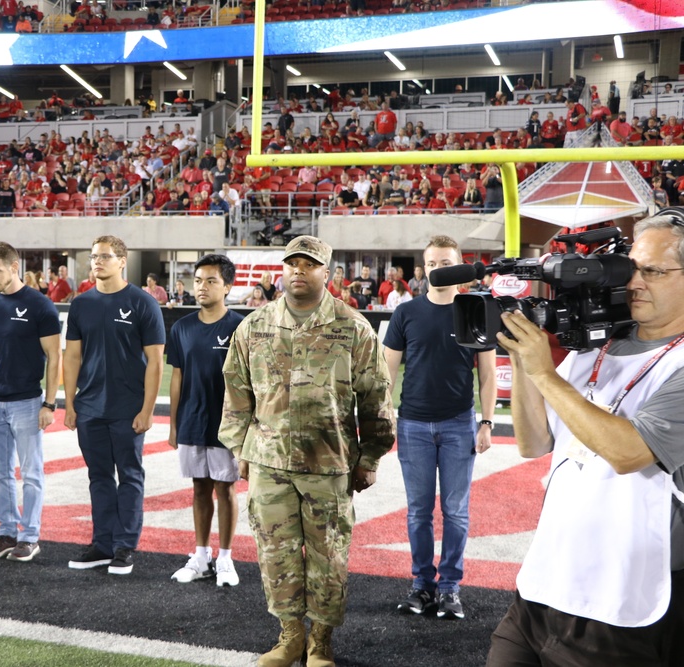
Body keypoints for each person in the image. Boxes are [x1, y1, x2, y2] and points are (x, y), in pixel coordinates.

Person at [486, 210, 684, 666]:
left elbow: (629, 451)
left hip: (622, 601)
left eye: (653, 271)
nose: (635, 281)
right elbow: (534, 443)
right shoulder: (599, 345)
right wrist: (521, 359)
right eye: (632, 267)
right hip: (544, 584)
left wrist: (542, 371)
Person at [220, 235, 396, 667]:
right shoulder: (255, 325)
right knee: (275, 555)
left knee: (328, 557)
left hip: (329, 464)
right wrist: (241, 449)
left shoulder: (352, 327)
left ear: (327, 272)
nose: (299, 270)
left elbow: (376, 398)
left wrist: (370, 457)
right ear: (282, 271)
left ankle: (320, 642)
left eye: (309, 264)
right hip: (269, 463)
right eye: (292, 263)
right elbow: (236, 393)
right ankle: (290, 637)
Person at [383, 235, 496, 620]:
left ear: (460, 267)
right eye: (431, 263)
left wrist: (486, 422)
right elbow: (387, 372)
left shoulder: (475, 311)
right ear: (424, 268)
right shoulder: (406, 313)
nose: (437, 269)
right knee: (417, 512)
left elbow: (487, 374)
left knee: (455, 511)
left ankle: (449, 588)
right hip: (412, 424)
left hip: (458, 424)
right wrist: (384, 419)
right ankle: (421, 585)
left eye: (445, 262)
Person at [64, 235, 165, 576]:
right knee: (99, 477)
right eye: (93, 256)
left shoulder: (143, 303)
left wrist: (147, 409)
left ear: (122, 261)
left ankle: (125, 546)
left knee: (131, 476)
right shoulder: (81, 304)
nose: (97, 262)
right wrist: (69, 403)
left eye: (105, 256)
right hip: (89, 407)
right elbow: (73, 356)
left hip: (128, 408)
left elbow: (155, 362)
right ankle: (102, 544)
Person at [0, 242, 61, 562]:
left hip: (27, 401)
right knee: (0, 475)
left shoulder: (40, 305)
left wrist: (49, 404)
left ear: (14, 267)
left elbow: (55, 357)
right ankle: (6, 533)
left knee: (31, 473)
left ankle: (30, 536)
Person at [167, 254, 246, 587]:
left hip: (228, 425)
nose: (202, 286)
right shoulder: (182, 327)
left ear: (227, 286)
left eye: (211, 280)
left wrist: (246, 427)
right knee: (199, 489)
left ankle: (225, 558)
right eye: (198, 280)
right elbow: (177, 377)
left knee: (226, 490)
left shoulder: (241, 326)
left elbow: (251, 381)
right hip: (192, 420)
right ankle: (201, 556)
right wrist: (173, 424)